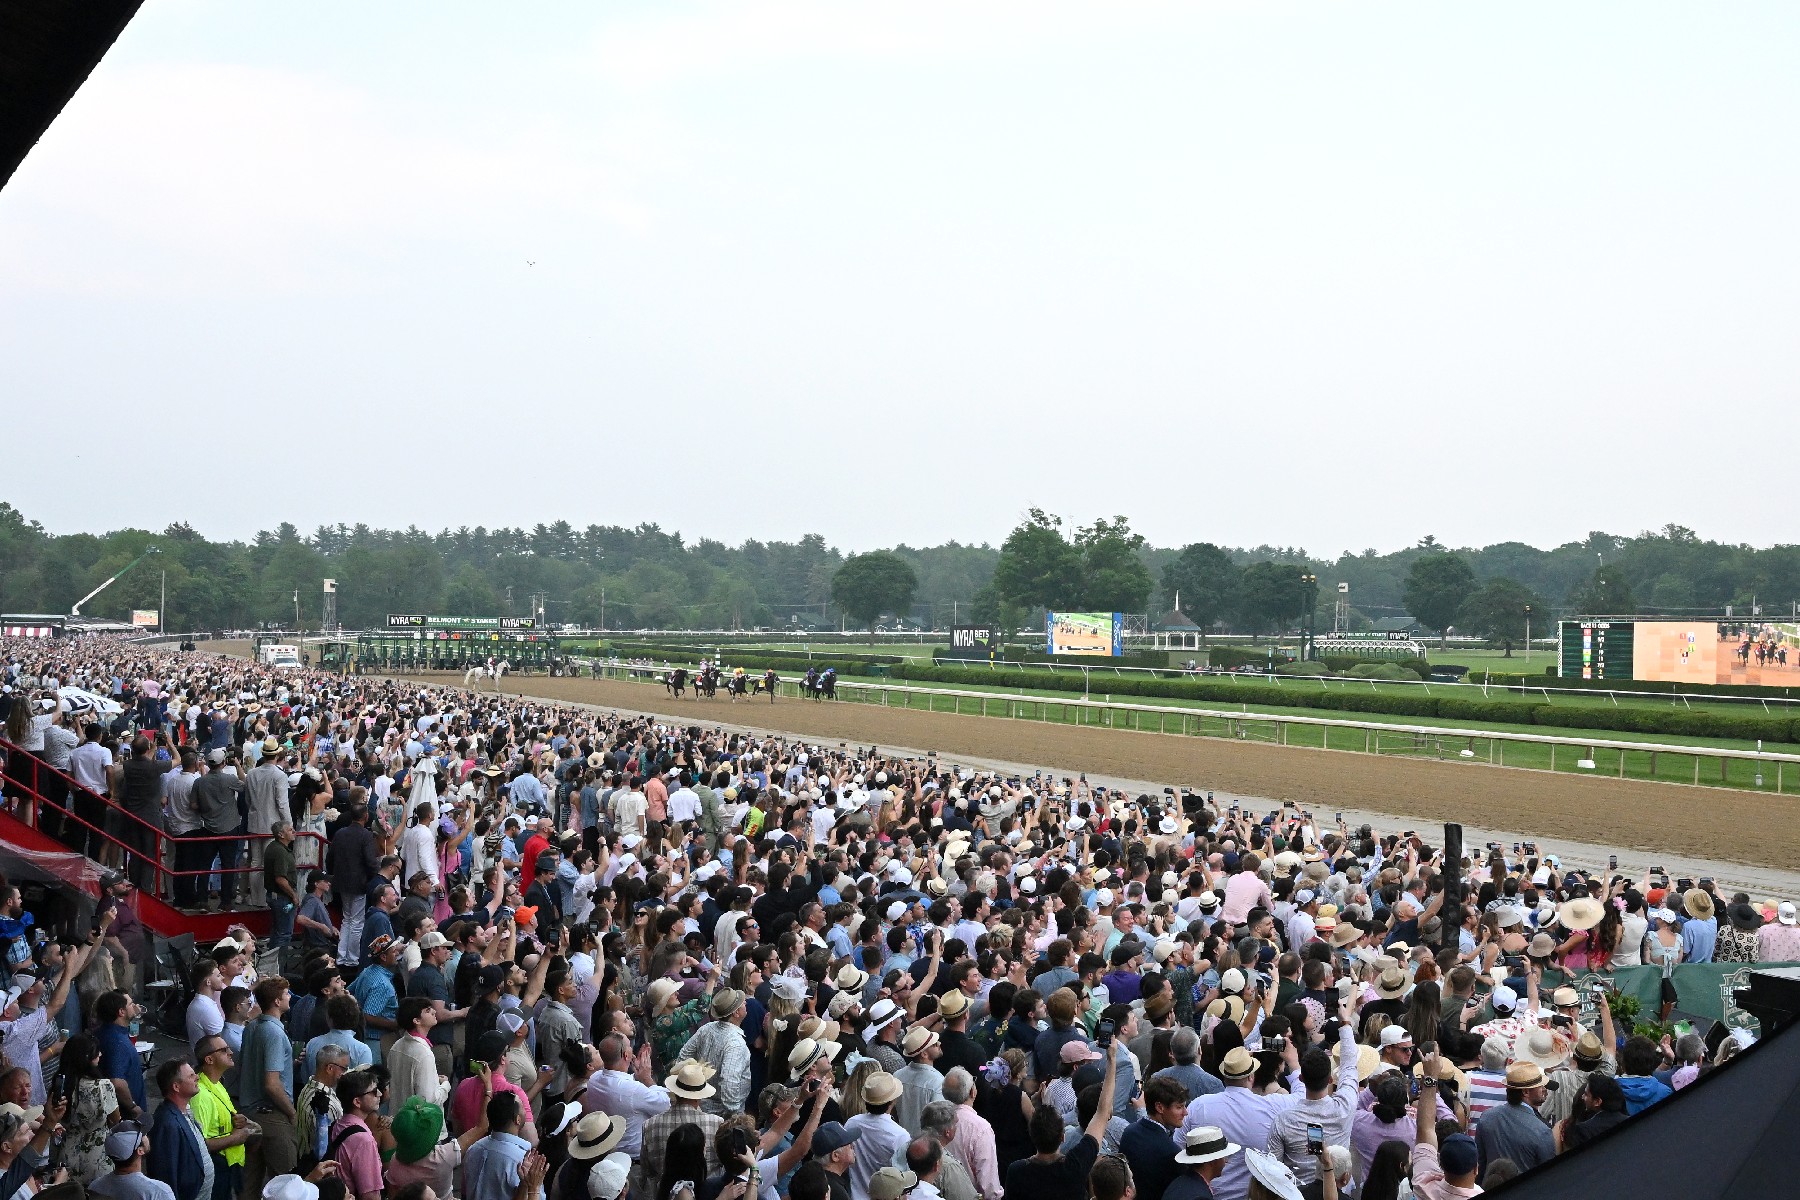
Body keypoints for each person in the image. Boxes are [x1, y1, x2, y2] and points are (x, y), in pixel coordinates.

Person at [1002, 1023, 1116, 1200]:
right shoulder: (1074, 1166)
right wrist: (1112, 1059)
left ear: (1032, 1135)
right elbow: (1101, 1113)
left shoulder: (1016, 1171)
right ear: (1062, 1136)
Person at [1176, 1047, 1290, 1200]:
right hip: (1247, 1195)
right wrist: (1294, 1063)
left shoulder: (1199, 1105)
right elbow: (1305, 1099)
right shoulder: (1271, 1107)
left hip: (1208, 1194)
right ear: (1251, 1077)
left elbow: (1178, 1145)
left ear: (1225, 1077)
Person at [238, 975, 299, 1196]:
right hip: (272, 1114)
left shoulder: (252, 1026)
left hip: (249, 1112)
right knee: (288, 1184)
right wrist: (292, 1113)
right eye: (286, 994)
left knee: (251, 1183)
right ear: (276, 1001)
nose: (289, 997)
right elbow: (271, 1085)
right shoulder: (273, 1032)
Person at [191, 1033, 254, 1200]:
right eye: (224, 1050)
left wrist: (236, 1120)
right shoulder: (200, 1096)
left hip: (229, 1166)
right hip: (217, 1169)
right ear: (209, 1059)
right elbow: (200, 1144)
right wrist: (236, 1138)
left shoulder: (217, 1083)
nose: (231, 1052)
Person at [1411, 1054, 1480, 1200]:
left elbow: (1425, 1128)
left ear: (1440, 1163)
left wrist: (1430, 1077)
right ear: (1476, 1169)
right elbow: (1426, 1128)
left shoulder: (1423, 1185)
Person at [146, 1059, 214, 1200]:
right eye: (191, 1076)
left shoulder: (184, 1110)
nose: (197, 1077)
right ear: (176, 1087)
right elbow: (165, 1176)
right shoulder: (167, 1124)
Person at [464, 1091, 550, 1200]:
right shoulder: (521, 1159)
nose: (525, 1111)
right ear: (518, 1119)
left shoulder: (473, 1149)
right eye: (523, 1107)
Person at [1120, 1077, 1188, 1200]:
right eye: (1179, 1107)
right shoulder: (1172, 1153)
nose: (1185, 1112)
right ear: (1160, 1107)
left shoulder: (1129, 1132)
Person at [89, 1120, 176, 1200]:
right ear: (140, 1150)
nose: (146, 1135)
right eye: (143, 1134)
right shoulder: (158, 1192)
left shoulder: (95, 1187)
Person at [1166, 1126, 1241, 1200]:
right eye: (1223, 1157)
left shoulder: (1180, 1183)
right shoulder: (1199, 1196)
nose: (1226, 1161)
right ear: (1212, 1161)